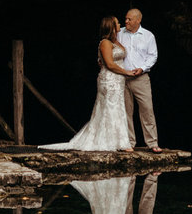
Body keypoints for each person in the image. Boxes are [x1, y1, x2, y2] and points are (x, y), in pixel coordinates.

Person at [39, 15, 137, 151]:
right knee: (110, 108)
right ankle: (113, 142)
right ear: (112, 27)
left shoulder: (116, 41)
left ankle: (119, 141)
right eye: (117, 23)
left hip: (118, 80)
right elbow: (109, 64)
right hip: (109, 79)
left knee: (119, 107)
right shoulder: (105, 43)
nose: (120, 24)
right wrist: (126, 72)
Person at [120, 8, 161, 152]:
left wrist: (142, 68)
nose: (126, 22)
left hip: (140, 78)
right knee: (126, 111)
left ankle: (152, 143)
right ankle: (129, 142)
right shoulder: (119, 33)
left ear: (138, 20)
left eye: (129, 19)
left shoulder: (148, 36)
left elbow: (153, 55)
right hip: (123, 78)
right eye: (126, 18)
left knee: (147, 110)